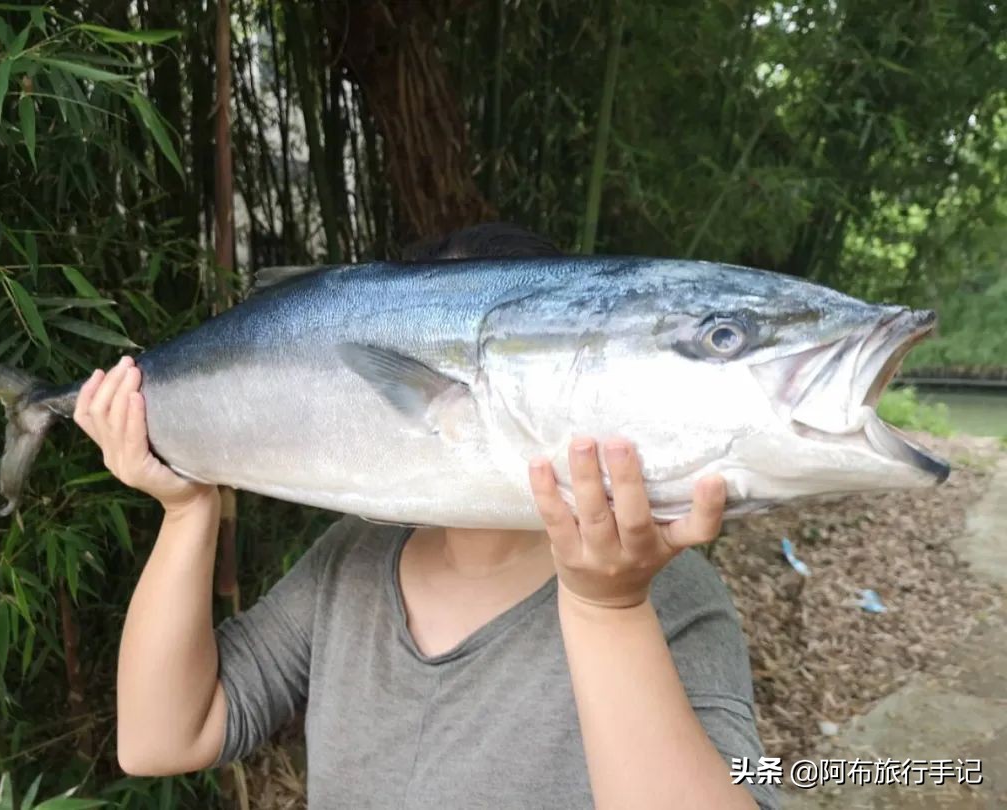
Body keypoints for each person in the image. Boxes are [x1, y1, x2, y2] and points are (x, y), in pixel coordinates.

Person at [75, 226, 777, 809]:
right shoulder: (349, 561)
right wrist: (186, 507)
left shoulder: (670, 599)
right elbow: (162, 738)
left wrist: (611, 610)